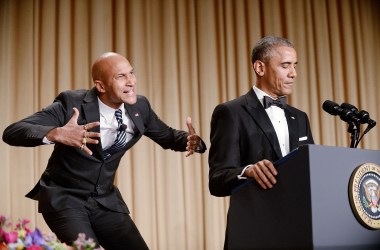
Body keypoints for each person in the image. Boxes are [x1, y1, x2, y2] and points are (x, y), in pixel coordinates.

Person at [2, 52, 206, 249]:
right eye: (121, 76)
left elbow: (168, 136)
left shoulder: (139, 107)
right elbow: (13, 132)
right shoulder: (72, 103)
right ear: (100, 85)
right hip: (65, 199)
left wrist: (190, 141)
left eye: (131, 73)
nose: (131, 81)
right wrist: (57, 133)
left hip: (105, 201)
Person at [208, 36, 314, 249]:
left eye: (294, 65)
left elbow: (310, 171)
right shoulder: (231, 112)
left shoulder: (299, 117)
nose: (294, 73)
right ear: (260, 68)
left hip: (299, 228)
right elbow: (217, 180)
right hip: (255, 229)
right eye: (285, 66)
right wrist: (248, 171)